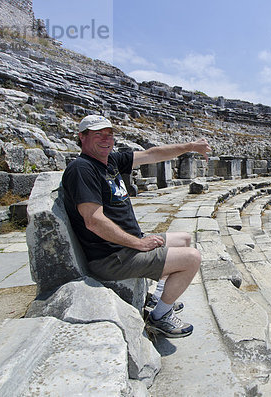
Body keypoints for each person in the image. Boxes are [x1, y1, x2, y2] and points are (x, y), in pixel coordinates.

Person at [62, 114, 211, 338]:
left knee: (185, 238)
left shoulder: (109, 161)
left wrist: (191, 146)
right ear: (82, 138)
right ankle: (160, 316)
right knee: (192, 258)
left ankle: (158, 299)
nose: (106, 139)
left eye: (109, 134)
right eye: (97, 135)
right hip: (112, 257)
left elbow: (153, 154)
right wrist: (139, 243)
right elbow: (93, 221)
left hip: (125, 246)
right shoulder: (82, 169)